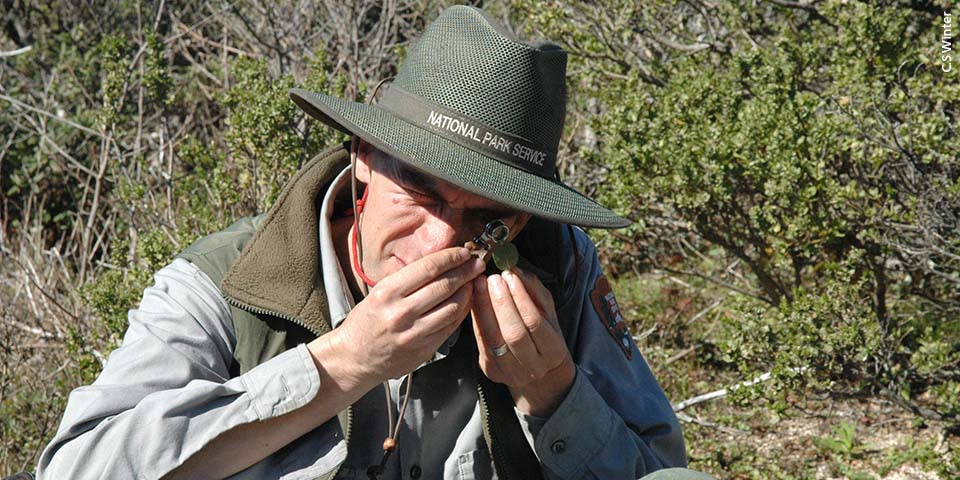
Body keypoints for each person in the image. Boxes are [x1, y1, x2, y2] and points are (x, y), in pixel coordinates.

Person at [36, 6, 701, 480]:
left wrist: (555, 394)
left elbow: (662, 468)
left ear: (525, 219)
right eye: (422, 192)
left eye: (488, 219)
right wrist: (341, 366)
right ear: (364, 155)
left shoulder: (557, 269)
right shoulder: (227, 282)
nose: (442, 240)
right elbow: (76, 468)